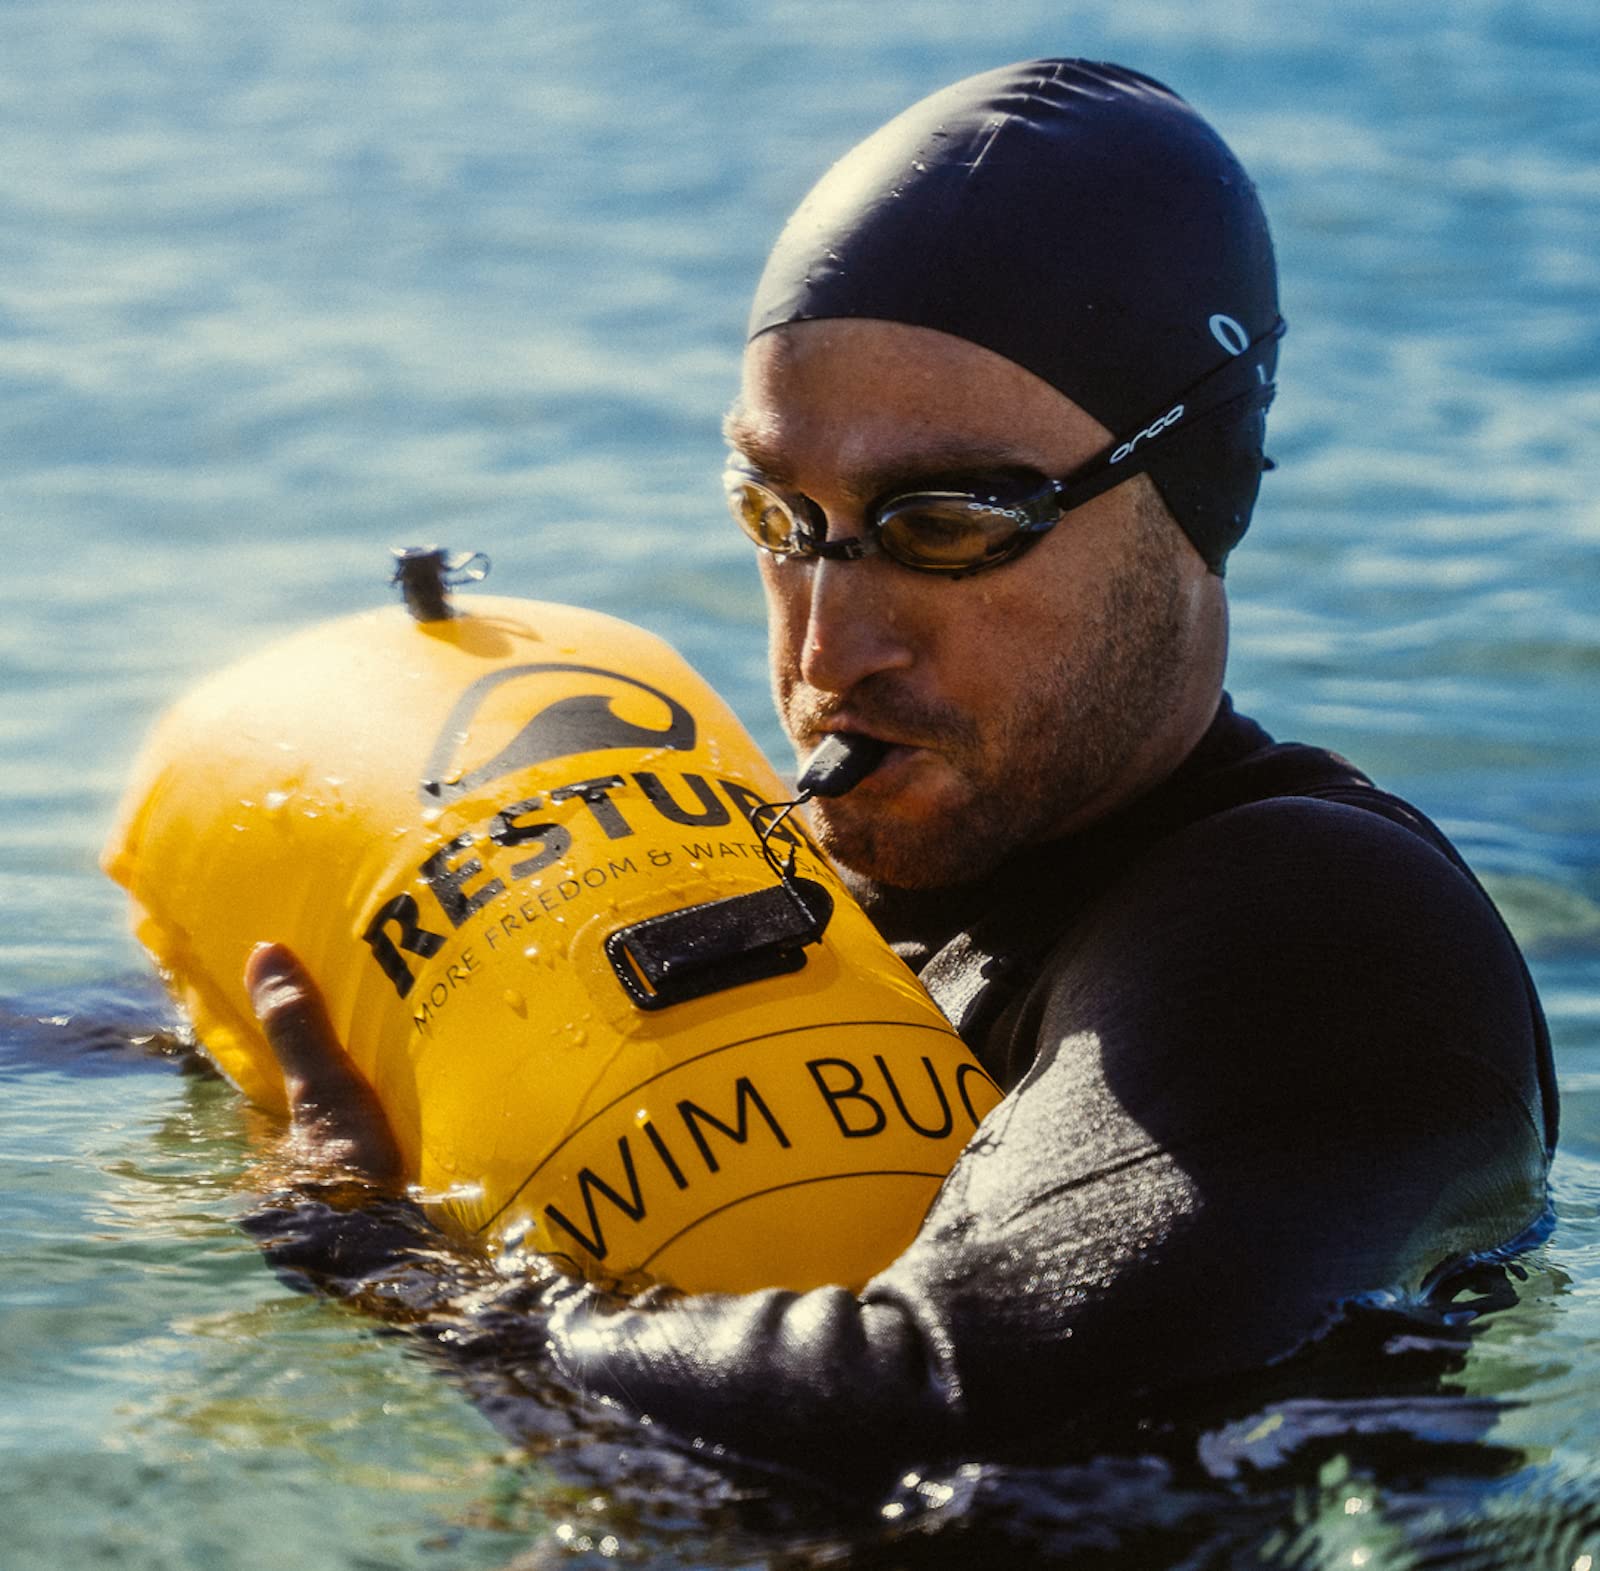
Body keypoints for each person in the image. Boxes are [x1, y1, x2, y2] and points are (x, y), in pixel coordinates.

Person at [246, 59, 1556, 1473]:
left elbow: (946, 1409)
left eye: (945, 526)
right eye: (777, 512)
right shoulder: (812, 881)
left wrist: (405, 1274)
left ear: (1192, 493)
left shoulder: (1328, 932)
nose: (829, 644)